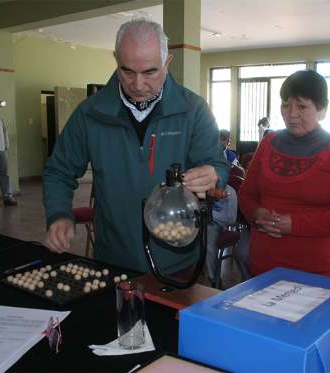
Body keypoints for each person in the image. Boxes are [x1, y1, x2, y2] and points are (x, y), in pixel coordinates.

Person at [42, 19, 229, 273]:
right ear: (116, 60)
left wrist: (213, 173)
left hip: (178, 259)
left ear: (167, 62)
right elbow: (58, 171)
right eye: (127, 71)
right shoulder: (91, 113)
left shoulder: (193, 110)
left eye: (150, 72)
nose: (138, 85)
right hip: (112, 258)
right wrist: (59, 214)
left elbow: (218, 165)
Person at [239, 70, 330, 277]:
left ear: (322, 110)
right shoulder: (269, 142)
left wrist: (295, 224)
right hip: (264, 264)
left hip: (318, 270)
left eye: (302, 106)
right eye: (286, 105)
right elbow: (246, 194)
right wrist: (256, 213)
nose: (292, 113)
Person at [205, 184, 237, 287]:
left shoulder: (229, 192)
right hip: (198, 220)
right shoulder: (200, 187)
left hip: (216, 223)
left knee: (208, 242)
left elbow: (231, 220)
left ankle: (212, 280)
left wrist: (211, 216)